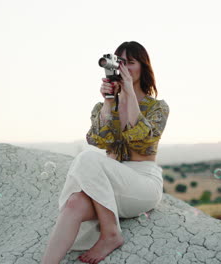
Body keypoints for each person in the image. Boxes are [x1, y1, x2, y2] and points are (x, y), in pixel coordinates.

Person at [41, 41, 169, 264]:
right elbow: (96, 140)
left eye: (131, 63)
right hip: (111, 182)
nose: (125, 69)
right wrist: (109, 103)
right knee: (74, 203)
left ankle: (110, 234)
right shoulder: (104, 106)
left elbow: (140, 141)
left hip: (142, 184)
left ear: (144, 67)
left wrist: (128, 92)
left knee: (87, 158)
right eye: (121, 63)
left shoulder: (158, 107)